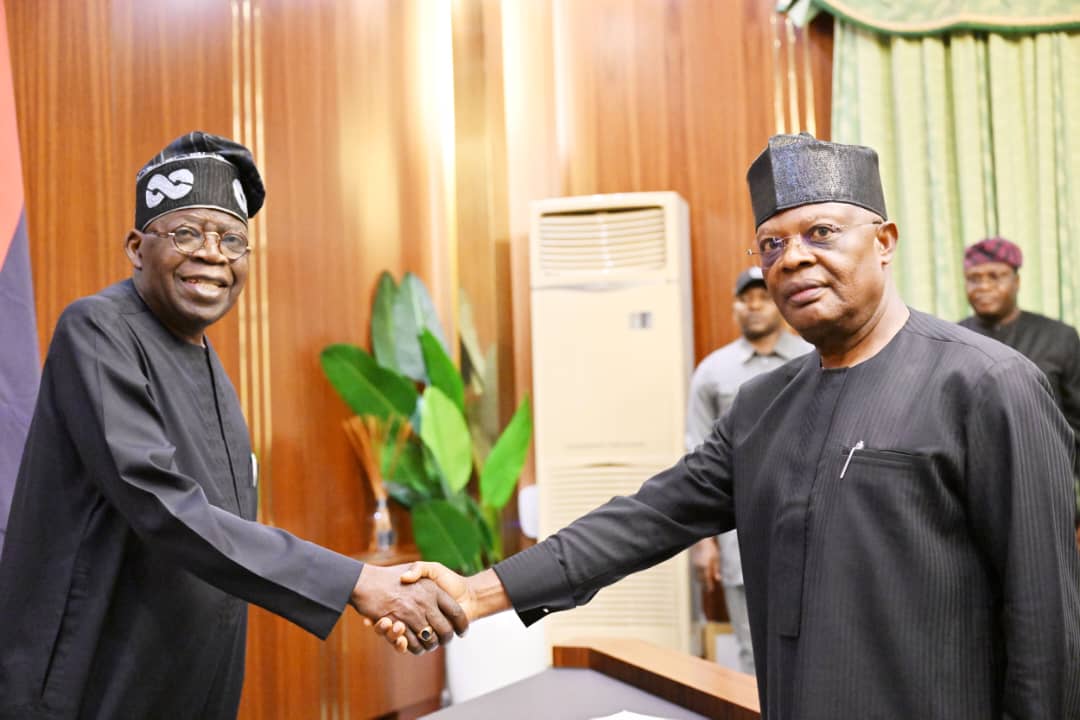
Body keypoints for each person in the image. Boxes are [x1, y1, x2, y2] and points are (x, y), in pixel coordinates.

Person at [377, 133, 1080, 719]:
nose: (793, 257)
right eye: (770, 244)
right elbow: (641, 521)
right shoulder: (760, 407)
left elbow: (1045, 625)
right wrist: (475, 591)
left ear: (885, 240)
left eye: (821, 232)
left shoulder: (988, 384)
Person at [0, 132, 465, 720]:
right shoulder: (97, 331)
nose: (212, 254)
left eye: (232, 240)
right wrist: (354, 582)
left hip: (188, 686)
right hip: (92, 687)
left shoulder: (209, 363)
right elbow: (162, 507)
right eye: (186, 234)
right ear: (137, 247)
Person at [687, 265, 810, 673]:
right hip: (740, 533)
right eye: (746, 299)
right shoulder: (713, 371)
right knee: (753, 653)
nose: (755, 306)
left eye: (763, 297)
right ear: (735, 307)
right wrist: (703, 541)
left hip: (810, 524)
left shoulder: (813, 357)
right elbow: (697, 457)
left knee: (816, 648)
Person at [959, 236, 1080, 528]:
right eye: (974, 278)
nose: (984, 286)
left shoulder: (1058, 337)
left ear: (1016, 281)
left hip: (1048, 492)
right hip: (975, 499)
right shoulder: (953, 340)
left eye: (995, 276)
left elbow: (1077, 422)